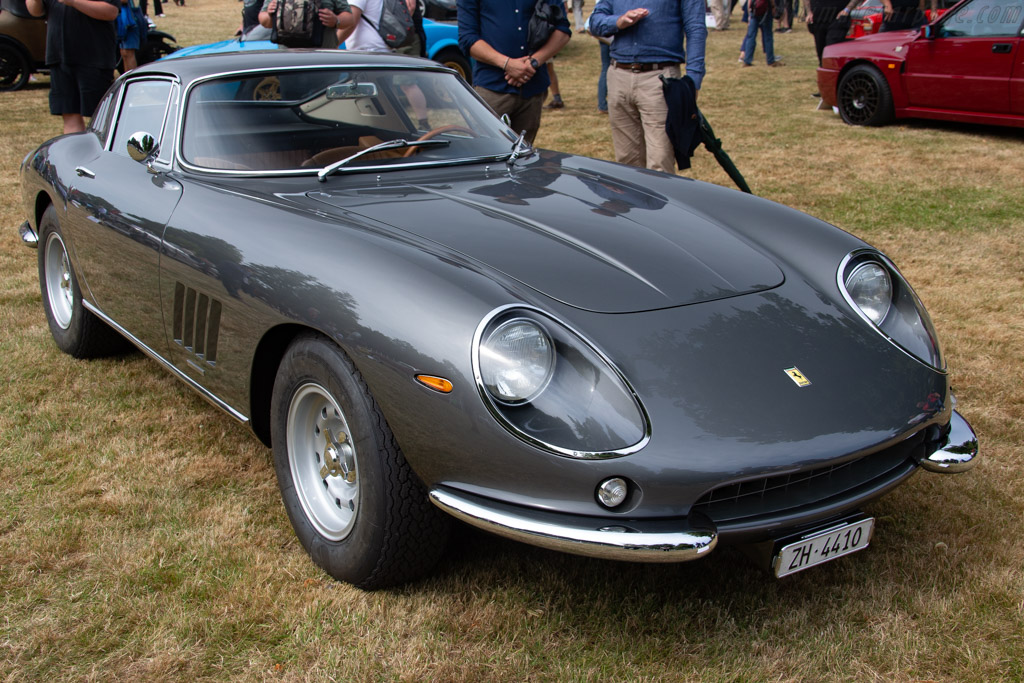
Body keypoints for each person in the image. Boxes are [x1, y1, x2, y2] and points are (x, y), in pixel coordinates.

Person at [589, 0, 706, 174]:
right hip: (618, 75)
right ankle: (631, 202)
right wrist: (618, 21)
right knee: (626, 164)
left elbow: (696, 28)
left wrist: (693, 80)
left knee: (660, 164)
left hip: (659, 79)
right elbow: (595, 22)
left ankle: (660, 202)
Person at [457, 0, 571, 144]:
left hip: (532, 87)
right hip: (493, 87)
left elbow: (563, 29)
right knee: (487, 152)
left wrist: (533, 63)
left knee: (523, 157)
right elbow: (467, 38)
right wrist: (507, 64)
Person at [26, 0, 119, 135]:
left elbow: (111, 12)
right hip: (59, 57)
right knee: (70, 114)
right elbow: (35, 11)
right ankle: (77, 154)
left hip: (94, 56)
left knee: (101, 118)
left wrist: (74, 2)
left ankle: (101, 155)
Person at [259, 0, 350, 48]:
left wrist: (336, 20)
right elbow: (263, 19)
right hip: (288, 61)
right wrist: (271, 14)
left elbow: (350, 18)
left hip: (323, 61)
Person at [740, 0, 784, 65]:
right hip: (766, 10)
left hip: (754, 9)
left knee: (751, 36)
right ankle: (770, 60)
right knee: (768, 36)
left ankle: (747, 60)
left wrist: (749, 14)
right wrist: (773, 7)